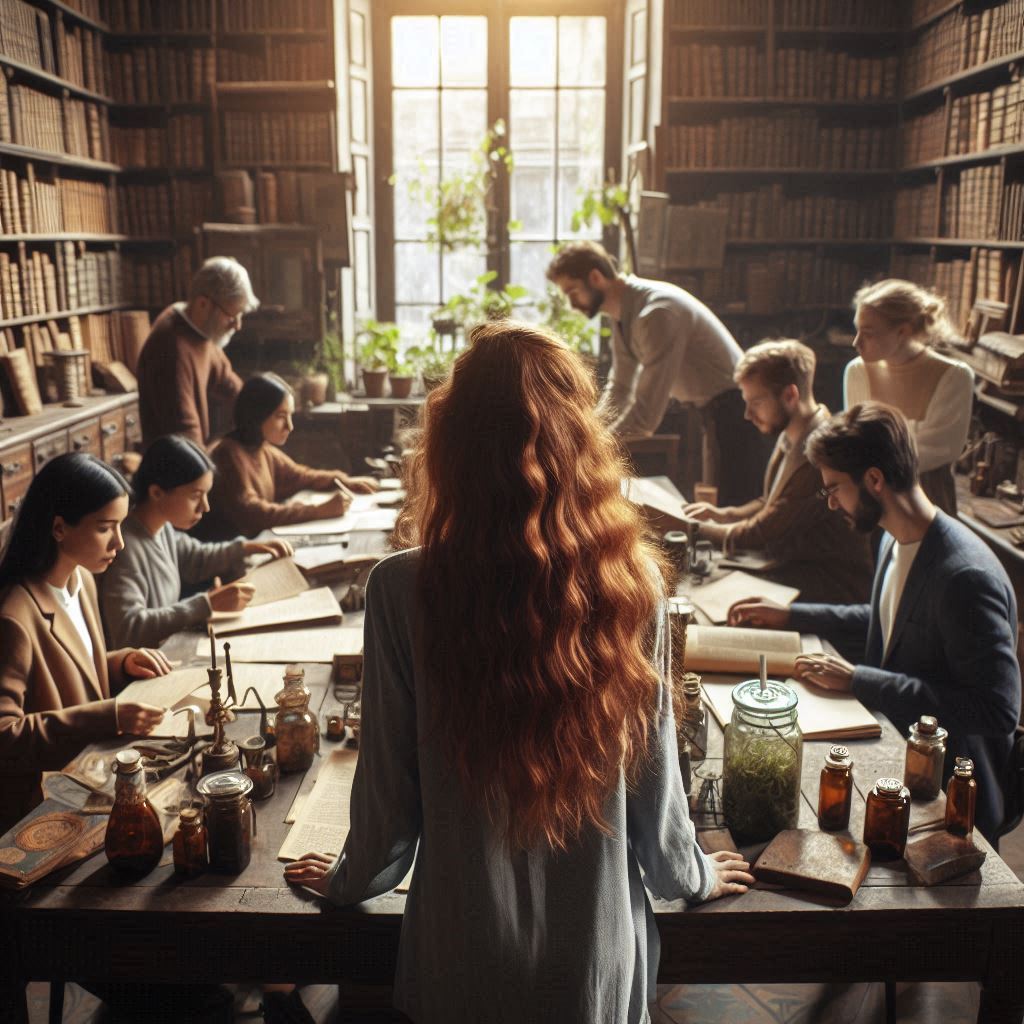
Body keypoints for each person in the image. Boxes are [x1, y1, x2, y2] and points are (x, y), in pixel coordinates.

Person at [282, 321, 754, 1023]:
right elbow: (655, 789)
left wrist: (350, 881)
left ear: (450, 449)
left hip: (462, 955)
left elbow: (387, 804)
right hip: (590, 961)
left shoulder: (400, 590)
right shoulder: (634, 588)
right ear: (580, 447)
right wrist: (697, 873)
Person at [729, 403, 1021, 842]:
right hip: (893, 759)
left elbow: (997, 710)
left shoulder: (965, 577)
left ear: (874, 480)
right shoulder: (893, 537)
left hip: (947, 798)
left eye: (833, 489)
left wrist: (859, 679)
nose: (831, 504)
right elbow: (888, 618)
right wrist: (789, 614)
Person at [0, 453, 171, 834]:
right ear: (59, 527)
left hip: (91, 774)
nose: (120, 543)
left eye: (121, 526)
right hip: (41, 809)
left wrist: (119, 662)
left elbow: (65, 670)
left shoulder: (81, 580)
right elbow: (5, 735)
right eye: (105, 528)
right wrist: (105, 717)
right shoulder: (14, 616)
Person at [546, 240, 763, 505]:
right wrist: (588, 432)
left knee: (731, 505)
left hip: (737, 411)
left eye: (572, 292)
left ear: (595, 277)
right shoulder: (622, 315)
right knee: (717, 505)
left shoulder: (656, 312)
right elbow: (621, 386)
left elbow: (645, 417)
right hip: (713, 410)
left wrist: (592, 448)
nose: (572, 304)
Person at [681, 339, 872, 603]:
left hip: (827, 585)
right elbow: (770, 501)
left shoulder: (820, 454)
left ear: (790, 396)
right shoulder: (792, 435)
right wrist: (725, 515)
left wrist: (685, 528)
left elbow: (761, 534)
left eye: (756, 402)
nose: (747, 414)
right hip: (793, 567)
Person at [99, 435, 293, 650]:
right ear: (156, 493)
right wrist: (206, 604)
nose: (205, 507)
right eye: (195, 496)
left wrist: (245, 548)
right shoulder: (123, 548)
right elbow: (129, 629)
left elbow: (195, 557)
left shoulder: (161, 528)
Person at [845, 278, 974, 514]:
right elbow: (856, 442)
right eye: (857, 330)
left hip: (928, 498)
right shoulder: (857, 371)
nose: (856, 342)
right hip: (871, 494)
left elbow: (940, 449)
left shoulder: (954, 376)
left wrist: (876, 443)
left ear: (902, 332)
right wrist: (905, 434)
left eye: (868, 333)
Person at [202, 373, 378, 539]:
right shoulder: (227, 454)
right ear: (256, 415)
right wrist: (317, 511)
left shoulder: (261, 448)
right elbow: (253, 514)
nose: (290, 426)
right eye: (281, 416)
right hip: (232, 558)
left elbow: (300, 476)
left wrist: (342, 480)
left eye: (290, 415)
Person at [136, 256, 258, 449]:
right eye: (232, 316)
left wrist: (260, 410)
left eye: (240, 315)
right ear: (203, 304)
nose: (238, 325)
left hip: (191, 455)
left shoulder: (198, 330)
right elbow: (184, 432)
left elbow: (228, 381)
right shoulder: (171, 347)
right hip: (175, 468)